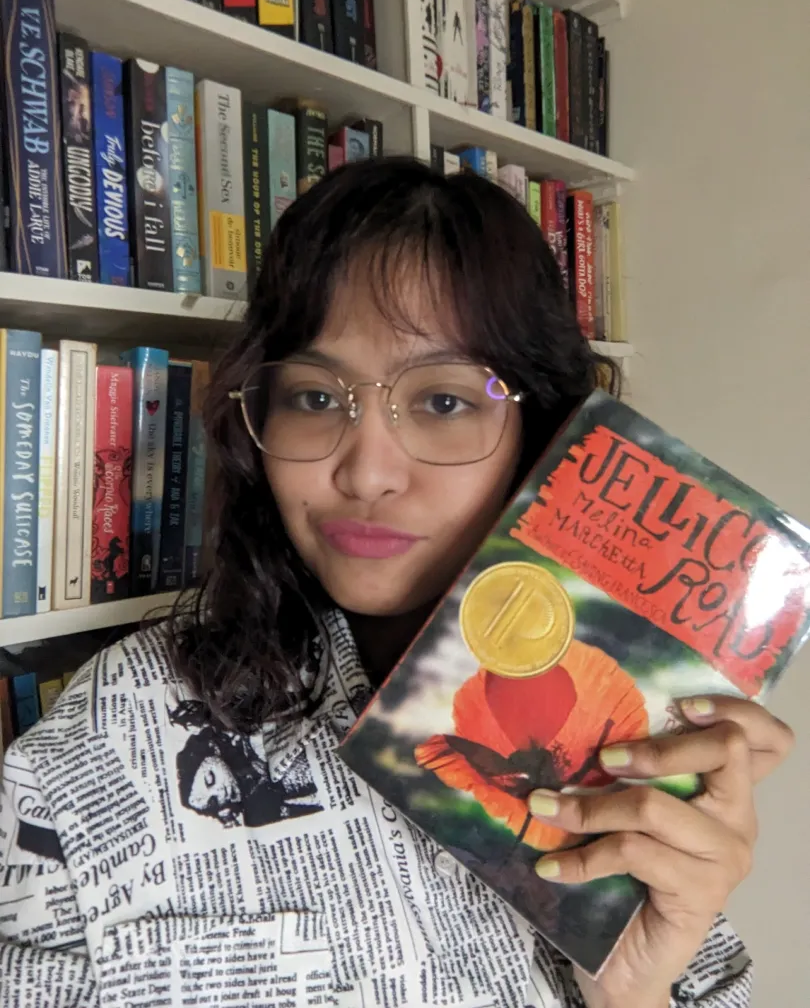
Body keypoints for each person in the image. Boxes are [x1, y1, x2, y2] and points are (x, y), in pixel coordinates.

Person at [0, 158, 794, 1008]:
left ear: (544, 431)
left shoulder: (627, 728)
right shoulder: (97, 746)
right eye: (311, 396)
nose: (368, 472)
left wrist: (631, 989)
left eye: (444, 402)